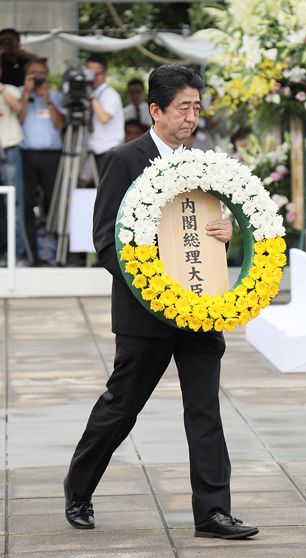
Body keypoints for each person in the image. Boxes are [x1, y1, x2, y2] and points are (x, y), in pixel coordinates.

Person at [64, 64, 259, 541]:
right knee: (121, 407)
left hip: (199, 311)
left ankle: (213, 513)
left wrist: (228, 231)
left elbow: (215, 228)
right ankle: (79, 486)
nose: (192, 118)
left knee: (204, 410)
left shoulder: (205, 166)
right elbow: (106, 243)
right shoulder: (123, 160)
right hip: (144, 314)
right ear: (156, 110)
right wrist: (154, 286)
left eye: (196, 108)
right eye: (182, 109)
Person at [18, 58, 66, 265]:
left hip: (51, 156)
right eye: (33, 73)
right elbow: (17, 119)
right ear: (26, 76)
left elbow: (60, 124)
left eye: (41, 73)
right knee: (27, 203)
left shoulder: (55, 95)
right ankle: (30, 253)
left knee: (53, 202)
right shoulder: (18, 93)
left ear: (46, 75)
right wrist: (26, 94)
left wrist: (48, 100)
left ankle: (53, 252)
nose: (37, 77)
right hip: (26, 155)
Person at [0, 72, 29, 265]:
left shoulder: (9, 89)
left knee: (15, 204)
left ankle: (19, 253)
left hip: (9, 150)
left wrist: (1, 89)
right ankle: (4, 251)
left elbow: (17, 108)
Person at [86, 53, 124, 175]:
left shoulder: (110, 94)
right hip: (96, 149)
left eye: (96, 74)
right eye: (89, 73)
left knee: (109, 190)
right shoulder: (94, 94)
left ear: (105, 73)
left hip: (109, 150)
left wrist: (90, 97)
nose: (93, 78)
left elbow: (104, 118)